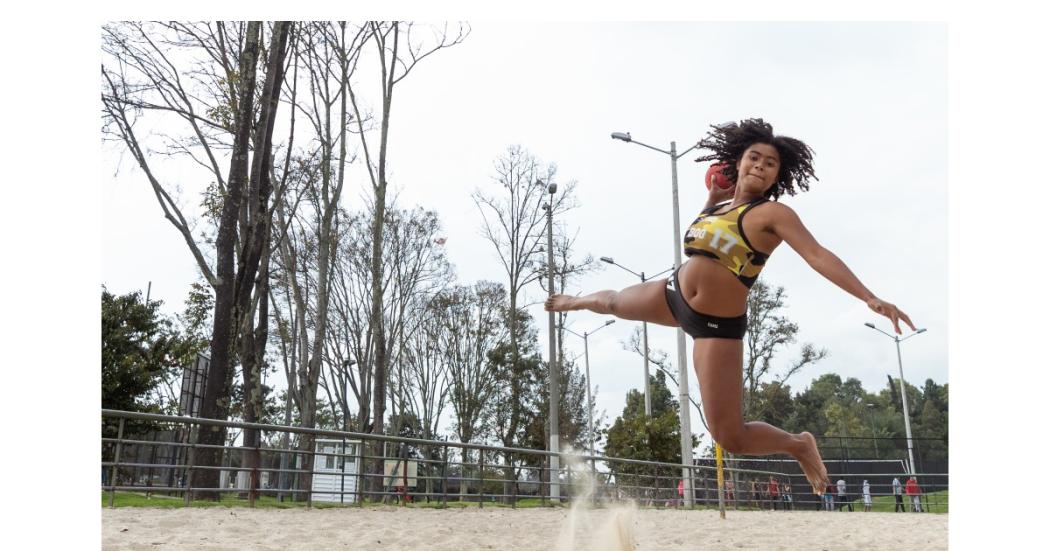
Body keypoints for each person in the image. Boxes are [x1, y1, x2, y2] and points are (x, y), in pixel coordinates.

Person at [546, 118, 915, 497]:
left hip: (715, 325)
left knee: (729, 435)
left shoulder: (773, 215)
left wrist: (868, 296)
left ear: (776, 176)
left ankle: (799, 444)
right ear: (737, 162)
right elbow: (701, 239)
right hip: (673, 295)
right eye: (753, 157)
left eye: (769, 163)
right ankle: (574, 301)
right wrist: (709, 200)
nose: (759, 165)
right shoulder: (715, 209)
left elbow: (817, 255)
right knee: (611, 302)